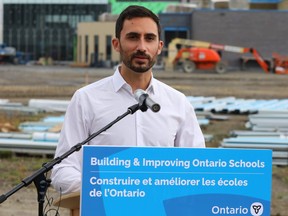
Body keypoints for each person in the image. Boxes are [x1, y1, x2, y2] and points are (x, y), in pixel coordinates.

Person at [51, 5, 205, 194]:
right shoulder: (86, 99)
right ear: (116, 44)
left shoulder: (178, 103)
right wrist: (109, 191)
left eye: (149, 38)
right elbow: (62, 170)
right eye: (133, 37)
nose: (141, 47)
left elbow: (196, 170)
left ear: (159, 47)